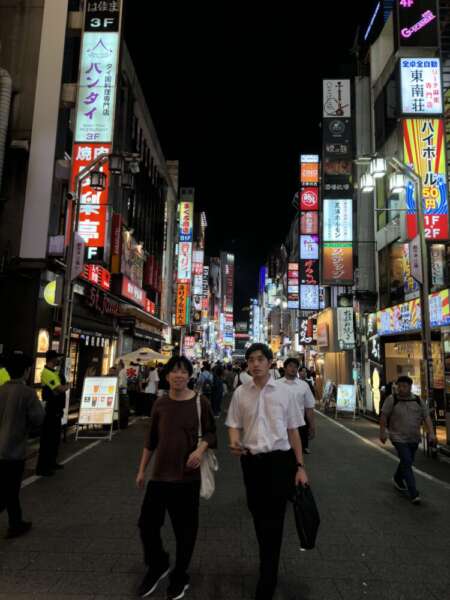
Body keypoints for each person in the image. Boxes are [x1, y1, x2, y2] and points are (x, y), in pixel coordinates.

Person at [226, 343, 308, 600]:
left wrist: (300, 467)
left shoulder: (285, 393)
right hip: (251, 462)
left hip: (279, 462)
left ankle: (268, 576)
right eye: (251, 360)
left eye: (261, 359)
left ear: (271, 362)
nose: (255, 364)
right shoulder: (241, 393)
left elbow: (294, 430)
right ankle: (267, 561)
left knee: (274, 520)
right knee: (258, 515)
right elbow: (233, 423)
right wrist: (233, 441)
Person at [136, 356, 217, 599]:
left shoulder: (200, 402)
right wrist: (142, 470)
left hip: (187, 478)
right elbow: (151, 440)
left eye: (183, 372)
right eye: (174, 371)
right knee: (146, 524)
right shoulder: (160, 404)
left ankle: (180, 576)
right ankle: (158, 563)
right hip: (159, 475)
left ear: (190, 375)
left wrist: (200, 450)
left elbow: (212, 434)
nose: (179, 375)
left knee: (185, 531)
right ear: (167, 375)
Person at [0, 352, 44, 538]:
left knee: (7, 489)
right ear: (26, 371)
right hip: (14, 450)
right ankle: (15, 524)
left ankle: (16, 522)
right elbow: (38, 418)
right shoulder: (27, 393)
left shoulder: (0, 390)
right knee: (10, 489)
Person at [379, 375, 436, 504]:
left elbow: (426, 417)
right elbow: (383, 416)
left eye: (404, 386)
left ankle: (397, 478)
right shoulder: (391, 399)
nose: (401, 389)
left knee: (407, 461)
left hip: (414, 437)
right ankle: (413, 493)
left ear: (410, 387)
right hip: (398, 437)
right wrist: (382, 432)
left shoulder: (417, 400)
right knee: (407, 460)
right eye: (399, 386)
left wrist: (431, 433)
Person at [36, 351, 69, 477]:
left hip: (57, 410)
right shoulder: (47, 373)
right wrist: (66, 386)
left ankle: (52, 462)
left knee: (55, 438)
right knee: (48, 440)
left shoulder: (54, 372)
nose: (59, 360)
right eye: (57, 358)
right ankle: (43, 468)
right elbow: (59, 389)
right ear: (52, 359)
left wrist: (62, 387)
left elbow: (59, 389)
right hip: (51, 410)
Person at [279, 358, 316, 454]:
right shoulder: (276, 384)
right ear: (285, 368)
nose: (293, 368)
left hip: (299, 424)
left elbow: (309, 407)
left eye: (295, 367)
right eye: (290, 366)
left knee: (296, 452)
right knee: (281, 452)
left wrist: (312, 426)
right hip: (280, 424)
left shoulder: (303, 385)